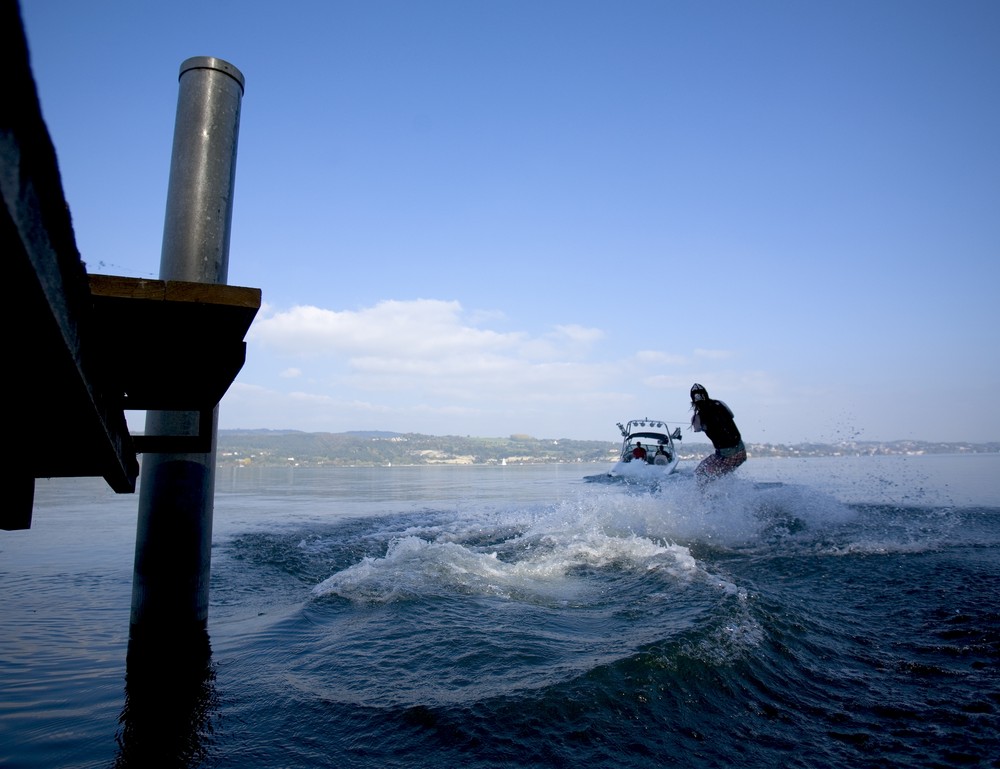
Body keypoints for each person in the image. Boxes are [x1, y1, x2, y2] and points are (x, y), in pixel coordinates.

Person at [689, 383, 746, 481]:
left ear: (693, 401)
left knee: (701, 475)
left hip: (728, 455)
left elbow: (697, 429)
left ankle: (707, 495)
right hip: (739, 451)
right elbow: (731, 415)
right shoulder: (720, 403)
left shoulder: (697, 417)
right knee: (702, 472)